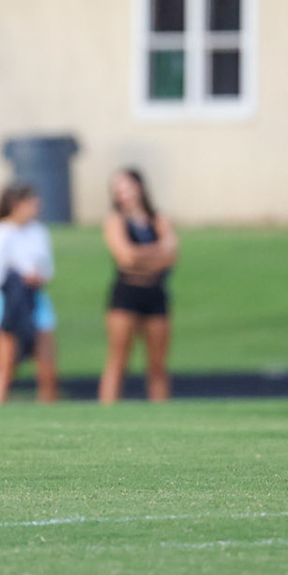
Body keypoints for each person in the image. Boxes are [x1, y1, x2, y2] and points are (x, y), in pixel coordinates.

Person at [99, 167, 178, 403]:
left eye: (126, 187)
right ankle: (107, 412)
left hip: (155, 293)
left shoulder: (158, 219)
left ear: (139, 187)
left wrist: (141, 256)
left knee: (157, 364)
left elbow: (172, 255)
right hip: (126, 294)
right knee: (118, 359)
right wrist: (156, 253)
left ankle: (161, 414)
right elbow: (126, 257)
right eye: (117, 189)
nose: (122, 193)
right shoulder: (115, 220)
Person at [0, 182, 58, 405]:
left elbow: (47, 269)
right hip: (6, 302)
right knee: (5, 365)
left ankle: (49, 409)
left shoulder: (39, 231)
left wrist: (36, 278)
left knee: (46, 362)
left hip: (35, 299)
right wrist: (16, 281)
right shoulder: (1, 232)